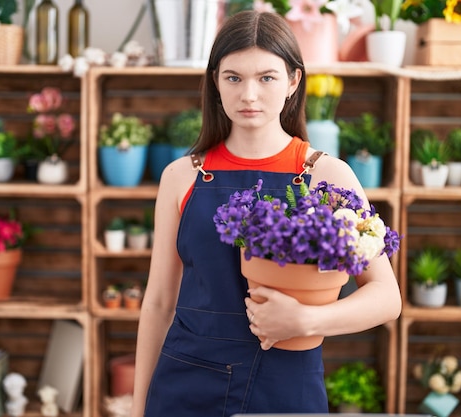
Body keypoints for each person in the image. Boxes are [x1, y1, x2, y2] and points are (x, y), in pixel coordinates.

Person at [130, 10, 402, 417]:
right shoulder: (180, 177)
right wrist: (138, 409)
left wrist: (306, 320)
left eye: (266, 78)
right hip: (183, 386)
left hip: (285, 388)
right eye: (233, 77)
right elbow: (158, 304)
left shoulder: (327, 174)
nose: (249, 95)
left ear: (293, 81)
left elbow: (386, 298)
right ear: (215, 82)